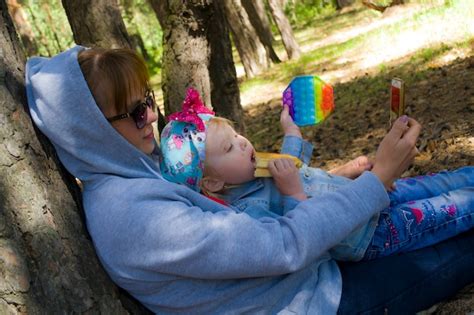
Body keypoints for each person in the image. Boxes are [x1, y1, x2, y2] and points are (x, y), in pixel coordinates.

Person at [25, 46, 474, 314]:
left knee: (447, 194)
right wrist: (376, 181)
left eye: (148, 99)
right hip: (313, 302)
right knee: (454, 244)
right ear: (91, 131)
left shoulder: (141, 172)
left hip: (318, 268)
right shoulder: (131, 216)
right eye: (134, 111)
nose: (151, 118)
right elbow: (281, 244)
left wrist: (345, 179)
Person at [160, 88, 474, 262]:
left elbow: (288, 161)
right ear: (213, 182)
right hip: (366, 233)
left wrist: (291, 131)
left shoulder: (252, 169)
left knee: (442, 182)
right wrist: (293, 194)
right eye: (230, 147)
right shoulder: (246, 213)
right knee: (447, 210)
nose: (243, 143)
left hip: (370, 193)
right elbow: (299, 236)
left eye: (237, 135)